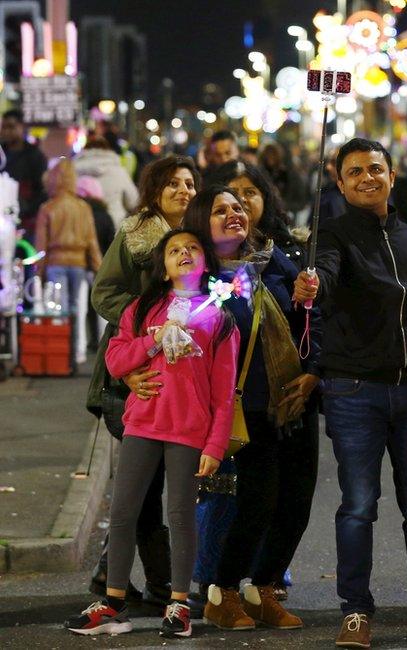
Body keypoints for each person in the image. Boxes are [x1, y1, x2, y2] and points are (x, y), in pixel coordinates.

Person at [291, 138, 407, 648]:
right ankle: (355, 611)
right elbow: (323, 279)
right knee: (357, 505)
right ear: (340, 182)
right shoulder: (330, 237)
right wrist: (312, 285)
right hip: (355, 392)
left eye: (375, 169)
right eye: (354, 172)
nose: (366, 178)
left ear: (392, 176)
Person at [66, 228, 238, 638]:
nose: (183, 254)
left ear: (205, 261)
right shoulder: (142, 310)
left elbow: (224, 391)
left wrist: (214, 444)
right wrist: (151, 341)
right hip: (143, 424)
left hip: (188, 430)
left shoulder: (218, 316)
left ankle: (178, 604)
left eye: (192, 248)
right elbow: (115, 360)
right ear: (161, 267)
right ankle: (112, 601)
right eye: (174, 250)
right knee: (123, 513)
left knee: (181, 516)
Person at [180, 187, 321, 632]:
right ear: (203, 222)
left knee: (296, 501)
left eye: (238, 208)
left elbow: (307, 321)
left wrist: (305, 296)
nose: (233, 215)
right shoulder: (197, 276)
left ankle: (263, 589)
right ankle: (222, 592)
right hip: (246, 404)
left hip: (294, 397)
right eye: (220, 210)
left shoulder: (275, 260)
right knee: (257, 501)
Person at [86, 155, 201, 608]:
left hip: (178, 383)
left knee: (149, 490)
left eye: (190, 183)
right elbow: (104, 292)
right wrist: (148, 321)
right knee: (146, 489)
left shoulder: (192, 241)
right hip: (131, 375)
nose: (183, 191)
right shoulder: (136, 236)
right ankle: (153, 583)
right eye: (172, 183)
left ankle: (115, 576)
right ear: (154, 190)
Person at [34, 159, 103, 362]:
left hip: (55, 264)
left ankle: (61, 351)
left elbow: (41, 245)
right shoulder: (83, 207)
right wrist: (99, 268)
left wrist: (39, 272)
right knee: (78, 309)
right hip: (79, 263)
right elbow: (92, 241)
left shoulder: (47, 208)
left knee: (59, 309)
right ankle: (79, 350)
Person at [76, 176, 116, 354]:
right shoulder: (104, 214)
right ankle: (100, 342)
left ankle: (80, 346)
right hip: (100, 265)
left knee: (80, 306)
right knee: (97, 306)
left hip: (80, 263)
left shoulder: (79, 212)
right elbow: (110, 241)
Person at [0, 109, 48, 238]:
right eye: (3, 127)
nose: (5, 131)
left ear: (22, 127)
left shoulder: (35, 156)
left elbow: (42, 191)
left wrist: (26, 210)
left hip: (27, 224)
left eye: (11, 127)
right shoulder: (1, 153)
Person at [73, 136, 139, 228]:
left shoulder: (73, 171)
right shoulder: (118, 171)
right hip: (114, 225)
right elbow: (133, 201)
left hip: (81, 225)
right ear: (108, 151)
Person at [258, 142, 308, 216]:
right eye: (268, 154)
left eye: (273, 154)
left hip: (286, 216)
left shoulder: (291, 176)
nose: (270, 157)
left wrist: (284, 205)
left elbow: (301, 201)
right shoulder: (260, 174)